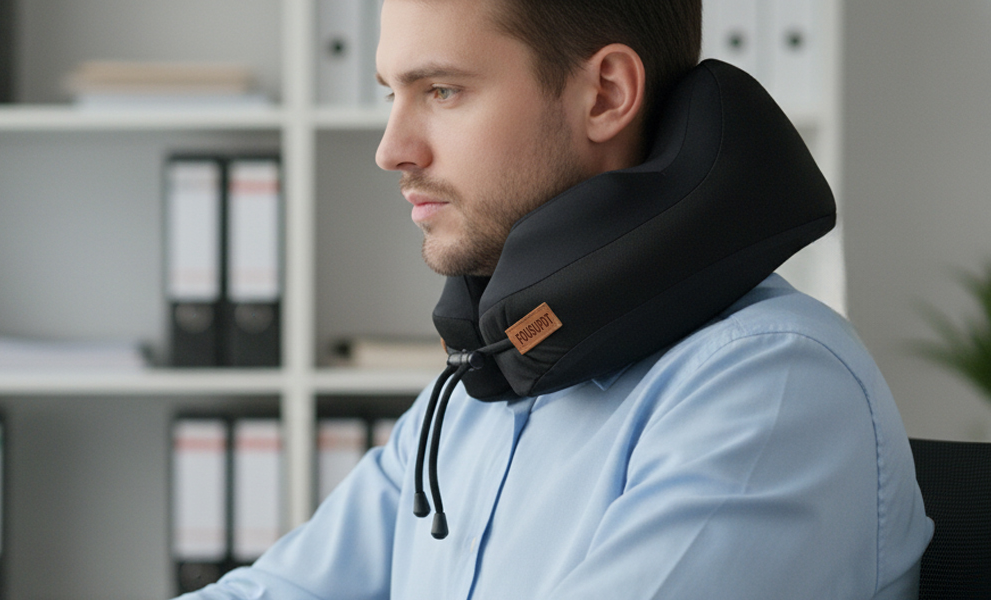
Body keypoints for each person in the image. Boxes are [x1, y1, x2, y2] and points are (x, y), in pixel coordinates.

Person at [177, 0, 933, 598]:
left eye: (442, 90)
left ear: (605, 93)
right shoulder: (487, 383)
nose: (391, 148)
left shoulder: (768, 389)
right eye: (391, 94)